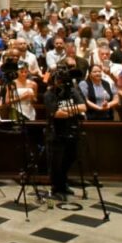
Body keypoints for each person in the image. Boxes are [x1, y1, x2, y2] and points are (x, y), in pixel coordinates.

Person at [43, 67, 87, 201]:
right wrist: (72, 111)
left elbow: (83, 107)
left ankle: (63, 183)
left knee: (71, 157)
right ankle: (56, 187)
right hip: (55, 132)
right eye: (59, 80)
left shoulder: (72, 91)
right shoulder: (49, 94)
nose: (61, 82)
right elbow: (57, 114)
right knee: (56, 161)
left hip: (72, 130)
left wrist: (65, 110)